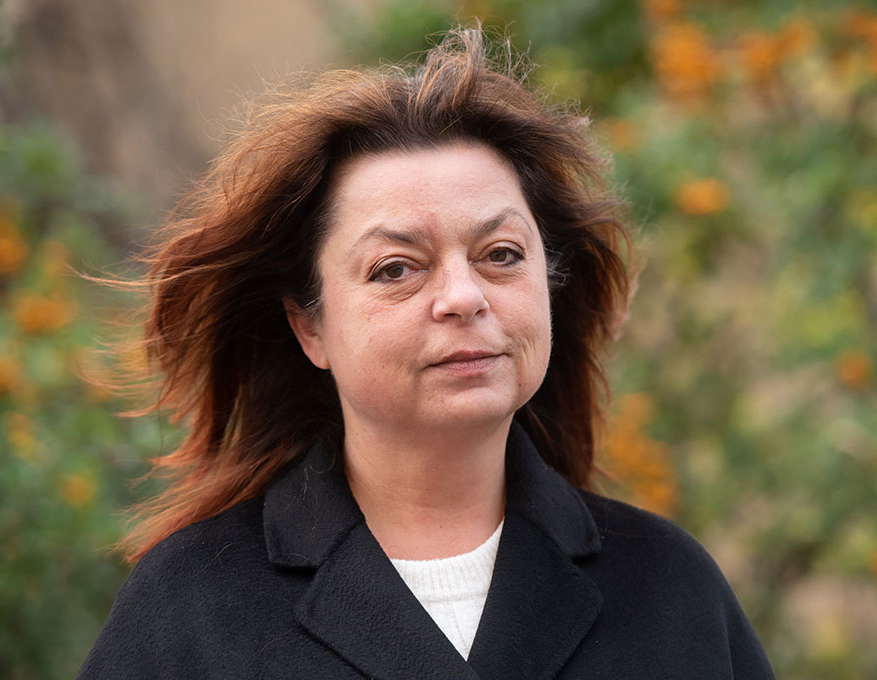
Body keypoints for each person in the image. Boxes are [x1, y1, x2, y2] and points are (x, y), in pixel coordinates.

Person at [78, 26, 775, 679]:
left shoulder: (669, 588)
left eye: (501, 255)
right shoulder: (191, 607)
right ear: (309, 327)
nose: (463, 297)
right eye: (396, 269)